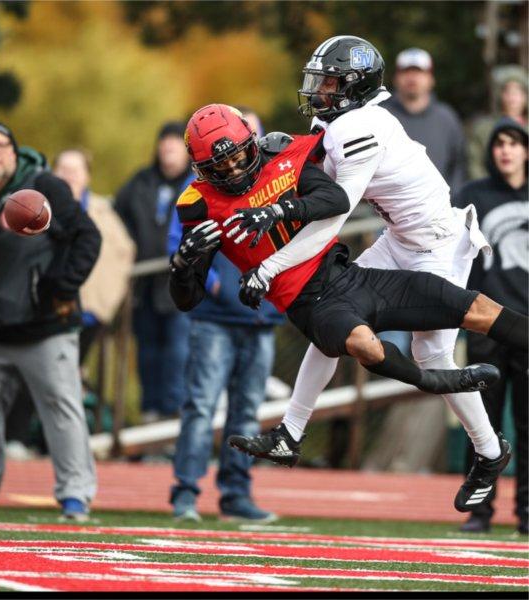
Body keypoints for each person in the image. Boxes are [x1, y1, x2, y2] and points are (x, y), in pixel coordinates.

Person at [211, 36, 520, 513]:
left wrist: (270, 265)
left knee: (432, 350)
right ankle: (291, 433)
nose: (320, 90)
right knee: (331, 315)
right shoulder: (337, 121)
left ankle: (490, 450)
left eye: (331, 82)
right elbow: (309, 174)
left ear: (355, 86)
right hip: (400, 238)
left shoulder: (363, 126)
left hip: (437, 243)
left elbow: (332, 214)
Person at [0, 121, 100, 520]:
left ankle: (75, 495)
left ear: (14, 151)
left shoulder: (44, 186)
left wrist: (58, 288)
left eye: (0, 145)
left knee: (61, 407)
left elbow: (87, 237)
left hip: (45, 327)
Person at [167, 109, 282, 523]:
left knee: (248, 410)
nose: (231, 163)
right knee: (201, 406)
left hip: (261, 315)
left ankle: (236, 493)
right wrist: (216, 286)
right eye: (221, 155)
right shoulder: (198, 190)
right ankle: (186, 490)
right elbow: (179, 244)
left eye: (238, 151)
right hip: (216, 316)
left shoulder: (279, 177)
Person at [454, 119, 528, 534]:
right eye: (499, 143)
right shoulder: (472, 196)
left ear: (526, 151)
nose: (506, 150)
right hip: (485, 324)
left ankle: (528, 513)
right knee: (481, 423)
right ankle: (480, 511)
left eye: (514, 143)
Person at [115, 122, 192, 421]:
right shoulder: (140, 182)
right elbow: (116, 220)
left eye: (175, 144)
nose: (168, 149)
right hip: (143, 285)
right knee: (147, 352)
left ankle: (173, 415)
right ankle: (150, 412)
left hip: (180, 284)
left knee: (177, 353)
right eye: (165, 143)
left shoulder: (197, 183)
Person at [53, 148, 135, 362]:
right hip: (47, 312)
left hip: (89, 310)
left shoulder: (103, 211)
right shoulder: (41, 209)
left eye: (75, 170)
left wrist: (104, 305)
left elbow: (125, 253)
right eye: (63, 169)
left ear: (87, 175)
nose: (69, 175)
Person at [382, 47, 467, 193]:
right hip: (382, 212)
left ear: (431, 79)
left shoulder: (446, 118)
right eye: (406, 72)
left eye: (419, 72)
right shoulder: (380, 116)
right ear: (395, 78)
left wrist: (452, 201)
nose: (412, 78)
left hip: (439, 210)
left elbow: (459, 165)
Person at [467, 65, 528, 180]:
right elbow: (475, 165)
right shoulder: (484, 129)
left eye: (518, 91)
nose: (512, 97)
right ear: (500, 95)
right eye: (507, 91)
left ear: (525, 96)